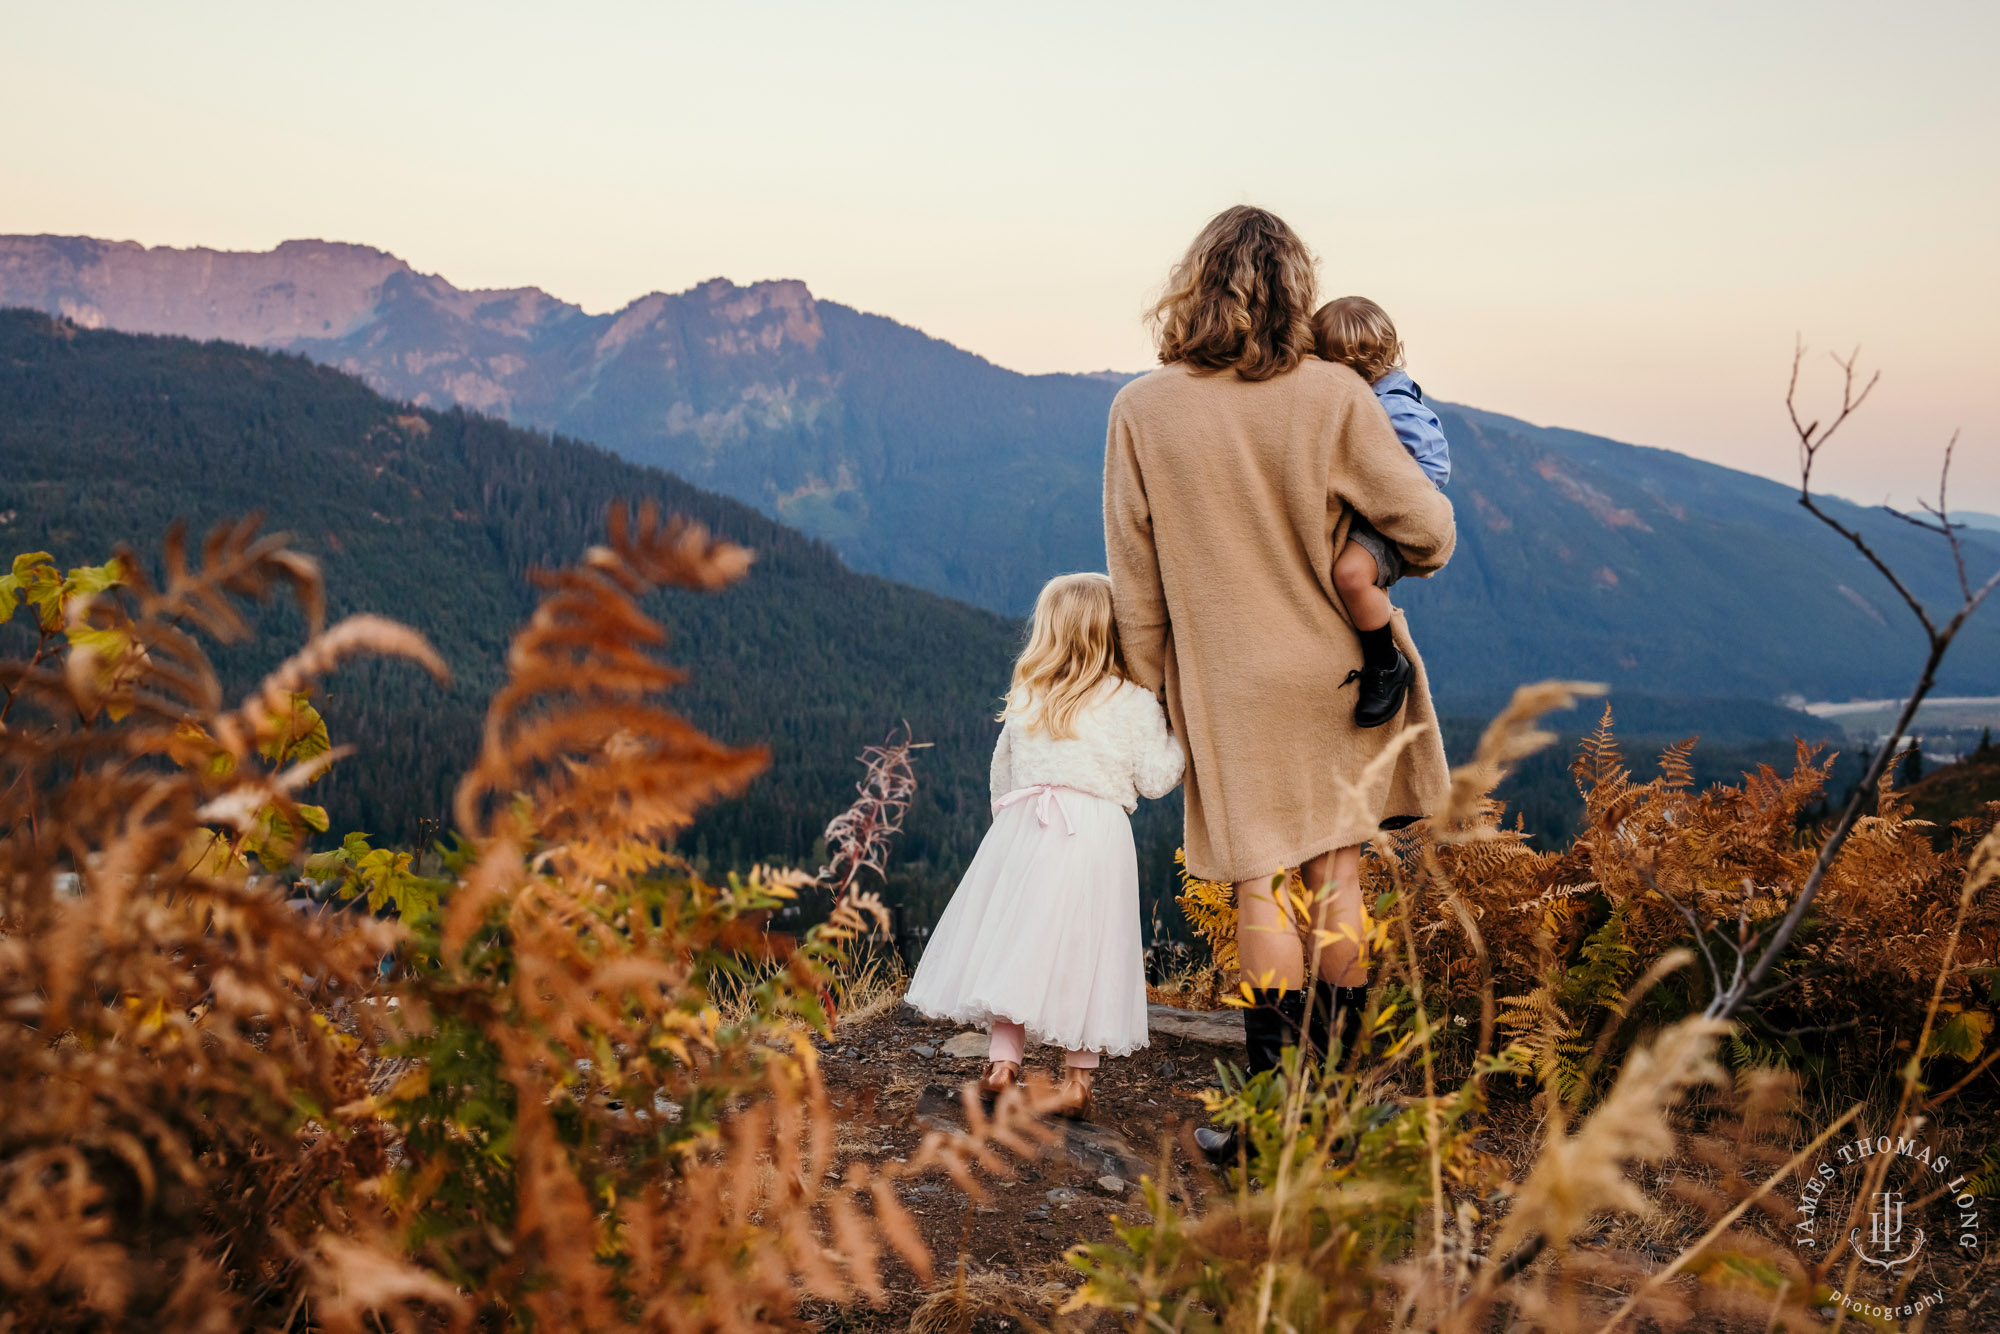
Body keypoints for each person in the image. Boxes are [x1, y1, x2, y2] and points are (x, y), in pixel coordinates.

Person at [1101, 206, 1456, 1159]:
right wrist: (1365, 560)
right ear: (1296, 289)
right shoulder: (1336, 395)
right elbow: (1433, 529)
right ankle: (1337, 1114)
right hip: (1339, 673)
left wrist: (1154, 694)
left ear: (1194, 285)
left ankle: (1270, 1121)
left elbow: (1135, 583)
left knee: (1260, 888)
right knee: (1337, 876)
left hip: (1228, 686)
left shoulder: (1141, 409)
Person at [904, 572, 1184, 1120]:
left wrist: (1009, 838)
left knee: (1019, 945)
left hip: (1026, 825)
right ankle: (1078, 1082)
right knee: (1090, 950)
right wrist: (1179, 729)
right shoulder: (1131, 700)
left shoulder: (1030, 691)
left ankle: (1002, 1066)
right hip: (1096, 834)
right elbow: (1156, 778)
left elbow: (1000, 775)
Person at [1311, 296, 1451, 728]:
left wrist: (1388, 488)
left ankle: (1385, 664)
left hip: (1385, 523)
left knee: (1351, 576)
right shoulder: (1361, 398)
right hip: (1363, 513)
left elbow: (1434, 464)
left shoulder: (1391, 405)